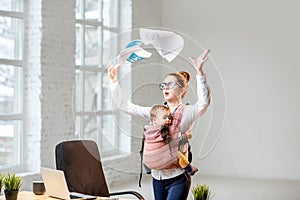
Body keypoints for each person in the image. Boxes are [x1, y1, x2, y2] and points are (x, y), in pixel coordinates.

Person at [108, 49, 211, 200]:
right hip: (157, 178)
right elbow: (126, 106)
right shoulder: (155, 112)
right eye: (163, 85)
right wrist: (113, 81)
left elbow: (204, 103)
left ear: (182, 90)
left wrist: (200, 73)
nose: (166, 88)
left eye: (171, 84)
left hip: (178, 177)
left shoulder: (187, 112)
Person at [145, 104, 199, 176]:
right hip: (160, 159)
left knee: (147, 150)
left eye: (169, 118)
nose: (168, 120)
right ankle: (190, 169)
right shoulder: (164, 130)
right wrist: (181, 107)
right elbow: (177, 121)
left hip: (148, 161)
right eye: (165, 118)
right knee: (178, 155)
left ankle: (147, 169)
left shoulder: (148, 130)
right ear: (155, 120)